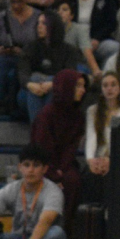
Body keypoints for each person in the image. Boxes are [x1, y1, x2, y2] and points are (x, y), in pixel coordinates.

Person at [30, 68, 86, 225]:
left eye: (83, 86)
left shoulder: (78, 116)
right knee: (61, 182)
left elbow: (71, 147)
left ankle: (66, 228)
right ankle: (46, 227)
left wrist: (62, 170)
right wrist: (54, 175)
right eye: (78, 86)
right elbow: (42, 149)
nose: (83, 90)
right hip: (43, 164)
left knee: (73, 180)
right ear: (67, 87)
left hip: (63, 165)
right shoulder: (46, 115)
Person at [0, 0, 39, 116]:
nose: (16, 5)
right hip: (6, 58)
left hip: (31, 61)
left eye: (20, 1)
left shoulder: (38, 18)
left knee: (8, 63)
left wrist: (23, 53)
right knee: (3, 61)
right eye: (12, 1)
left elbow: (41, 49)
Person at [18, 11, 81, 122]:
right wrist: (30, 84)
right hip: (30, 90)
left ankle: (39, 133)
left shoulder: (69, 50)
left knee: (54, 83)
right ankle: (43, 132)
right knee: (35, 78)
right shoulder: (30, 47)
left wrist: (52, 84)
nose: (39, 26)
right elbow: (22, 71)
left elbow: (69, 76)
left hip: (57, 91)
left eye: (44, 23)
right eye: (38, 23)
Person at [84, 71, 120, 188]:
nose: (109, 89)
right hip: (99, 157)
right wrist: (91, 160)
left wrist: (111, 160)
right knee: (90, 174)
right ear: (101, 89)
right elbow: (91, 137)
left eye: (113, 85)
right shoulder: (93, 111)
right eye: (105, 85)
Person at [65, 0, 120, 67]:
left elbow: (111, 22)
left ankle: (105, 76)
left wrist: (97, 39)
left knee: (115, 48)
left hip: (96, 40)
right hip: (73, 41)